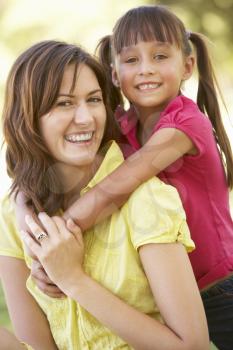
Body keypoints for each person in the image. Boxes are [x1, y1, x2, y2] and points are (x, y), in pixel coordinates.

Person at [15, 5, 233, 350]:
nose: (146, 69)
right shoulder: (122, 126)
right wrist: (26, 220)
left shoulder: (185, 124)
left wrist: (54, 245)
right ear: (115, 73)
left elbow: (112, 189)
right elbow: (33, 177)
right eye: (131, 60)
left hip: (218, 290)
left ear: (187, 66)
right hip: (168, 290)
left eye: (160, 56)